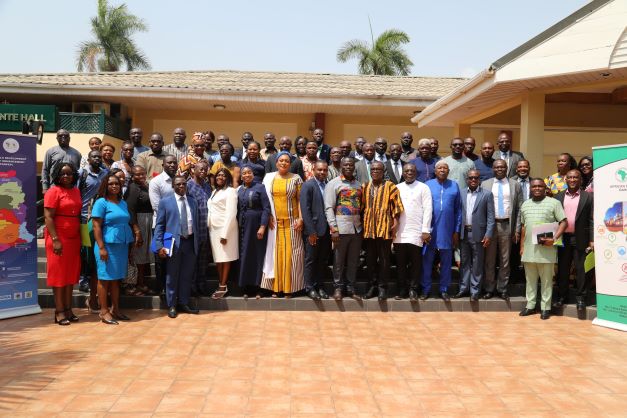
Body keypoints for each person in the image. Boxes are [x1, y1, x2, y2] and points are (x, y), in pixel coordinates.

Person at [519, 178, 567, 320]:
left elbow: (564, 222)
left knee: (546, 281)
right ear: (530, 189)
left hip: (547, 250)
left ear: (545, 188)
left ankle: (546, 308)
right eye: (534, 186)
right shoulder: (525, 204)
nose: (537, 188)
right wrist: (522, 246)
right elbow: (523, 227)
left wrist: (555, 238)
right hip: (529, 250)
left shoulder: (554, 203)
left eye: (540, 186)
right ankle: (530, 305)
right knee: (530, 280)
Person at [153, 176, 201, 318]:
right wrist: (159, 245)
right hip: (172, 242)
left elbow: (196, 222)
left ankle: (184, 302)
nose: (181, 186)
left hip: (190, 242)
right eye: (178, 184)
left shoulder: (192, 201)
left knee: (187, 275)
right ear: (173, 186)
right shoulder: (165, 202)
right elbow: (160, 225)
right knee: (172, 275)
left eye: (184, 184)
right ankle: (172, 305)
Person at [91, 173, 135, 325]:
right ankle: (104, 311)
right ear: (105, 185)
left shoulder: (122, 203)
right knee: (104, 279)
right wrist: (101, 247)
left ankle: (115, 309)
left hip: (121, 246)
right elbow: (96, 226)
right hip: (106, 246)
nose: (114, 186)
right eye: (111, 184)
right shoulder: (101, 202)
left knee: (116, 279)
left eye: (117, 183)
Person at [261, 151, 305, 297]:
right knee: (276, 255)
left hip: (292, 223)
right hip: (274, 223)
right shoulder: (269, 178)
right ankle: (276, 287)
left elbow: (300, 200)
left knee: (291, 256)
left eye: (286, 161)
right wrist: (267, 216)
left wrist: (301, 219)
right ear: (276, 163)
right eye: (281, 160)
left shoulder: (296, 178)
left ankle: (289, 288)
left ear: (290, 164)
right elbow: (265, 200)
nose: (284, 163)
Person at [44, 162, 82, 325]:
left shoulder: (76, 191)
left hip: (74, 238)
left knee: (70, 275)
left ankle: (68, 309)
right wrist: (55, 239)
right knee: (59, 275)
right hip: (59, 237)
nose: (66, 176)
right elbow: (48, 217)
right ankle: (59, 311)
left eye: (69, 173)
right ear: (57, 176)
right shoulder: (53, 191)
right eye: (63, 173)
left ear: (74, 175)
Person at [480, 159, 523, 300]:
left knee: (505, 260)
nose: (499, 169)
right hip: (490, 226)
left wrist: (517, 229)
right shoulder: (485, 184)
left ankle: (502, 288)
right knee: (489, 259)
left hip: (507, 225)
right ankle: (489, 288)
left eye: (502, 167)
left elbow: (519, 209)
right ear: (493, 168)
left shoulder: (515, 185)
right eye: (497, 167)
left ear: (507, 168)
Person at [362, 161, 404, 300]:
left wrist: (395, 223)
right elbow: (362, 207)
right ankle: (371, 287)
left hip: (384, 229)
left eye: (378, 169)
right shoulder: (365, 186)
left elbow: (397, 207)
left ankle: (382, 288)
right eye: (373, 169)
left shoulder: (390, 186)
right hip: (369, 229)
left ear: (383, 171)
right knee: (370, 260)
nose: (375, 171)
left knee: (384, 260)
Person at [554, 169, 593, 312]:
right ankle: (562, 297)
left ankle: (581, 298)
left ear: (580, 179)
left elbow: (591, 219)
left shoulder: (588, 197)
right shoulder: (558, 196)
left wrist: (592, 240)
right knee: (563, 268)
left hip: (580, 238)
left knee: (581, 269)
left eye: (575, 177)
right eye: (569, 177)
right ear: (566, 179)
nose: (572, 180)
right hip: (563, 238)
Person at [324, 157, 363, 300]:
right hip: (340, 229)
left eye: (351, 165)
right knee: (338, 261)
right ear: (341, 166)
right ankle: (338, 288)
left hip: (357, 229)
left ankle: (351, 288)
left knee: (353, 261)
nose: (348, 167)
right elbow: (329, 207)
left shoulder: (358, 184)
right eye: (345, 165)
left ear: (354, 167)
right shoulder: (333, 184)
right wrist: (333, 228)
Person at [422, 161, 462, 300]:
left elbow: (458, 210)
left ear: (448, 171)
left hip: (447, 230)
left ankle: (444, 289)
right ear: (435, 171)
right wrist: (423, 229)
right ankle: (425, 289)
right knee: (427, 261)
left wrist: (456, 231)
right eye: (440, 168)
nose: (442, 170)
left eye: (445, 168)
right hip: (430, 229)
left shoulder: (454, 185)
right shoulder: (427, 185)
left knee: (446, 262)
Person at [393, 163, 432, 301]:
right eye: (407, 171)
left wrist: (425, 230)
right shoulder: (397, 188)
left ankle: (413, 290)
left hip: (417, 232)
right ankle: (402, 290)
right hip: (400, 233)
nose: (409, 173)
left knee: (416, 264)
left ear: (416, 173)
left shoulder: (423, 187)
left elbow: (428, 209)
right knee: (401, 264)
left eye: (412, 171)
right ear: (403, 173)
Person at [456, 169, 495, 301]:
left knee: (477, 264)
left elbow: (491, 217)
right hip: (464, 233)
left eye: (476, 178)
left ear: (479, 180)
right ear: (467, 179)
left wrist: (488, 234)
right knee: (464, 263)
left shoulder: (487, 194)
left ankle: (475, 291)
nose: (473, 180)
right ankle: (463, 289)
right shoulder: (461, 193)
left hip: (479, 234)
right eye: (471, 178)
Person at [78, 150, 108, 306]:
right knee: (86, 253)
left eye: (99, 157)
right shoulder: (82, 174)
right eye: (94, 157)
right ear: (88, 159)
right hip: (84, 219)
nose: (97, 159)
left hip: (101, 217)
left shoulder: (105, 173)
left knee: (95, 255)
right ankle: (84, 281)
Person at [237, 165, 271, 298]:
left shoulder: (260, 187)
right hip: (243, 227)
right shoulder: (239, 189)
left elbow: (266, 208)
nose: (247, 175)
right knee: (245, 255)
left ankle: (259, 288)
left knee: (258, 254)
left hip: (257, 226)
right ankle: (246, 287)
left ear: (253, 174)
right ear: (241, 176)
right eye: (244, 173)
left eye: (249, 173)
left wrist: (263, 226)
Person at [300, 161, 331, 300]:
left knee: (322, 260)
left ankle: (320, 286)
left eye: (325, 170)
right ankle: (310, 287)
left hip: (326, 230)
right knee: (311, 260)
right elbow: (305, 210)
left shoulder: (328, 185)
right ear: (313, 170)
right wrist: (311, 231)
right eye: (319, 170)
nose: (322, 172)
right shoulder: (308, 185)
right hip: (313, 231)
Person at [208, 168, 239, 298]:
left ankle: (223, 285)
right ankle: (221, 283)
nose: (220, 177)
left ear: (228, 178)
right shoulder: (214, 191)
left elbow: (231, 214)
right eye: (218, 175)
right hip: (213, 229)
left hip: (225, 229)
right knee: (218, 259)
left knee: (225, 258)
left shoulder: (231, 191)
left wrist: (225, 234)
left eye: (223, 175)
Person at [124, 165, 154, 296]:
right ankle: (131, 285)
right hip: (139, 223)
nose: (141, 176)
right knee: (136, 255)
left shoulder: (144, 186)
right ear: (132, 176)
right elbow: (130, 211)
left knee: (143, 256)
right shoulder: (132, 189)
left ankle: (141, 283)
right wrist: (137, 230)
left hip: (147, 221)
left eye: (143, 174)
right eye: (137, 174)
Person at [186, 160, 212, 295]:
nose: (203, 171)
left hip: (206, 230)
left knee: (203, 261)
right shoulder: (187, 186)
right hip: (194, 230)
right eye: (200, 169)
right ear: (193, 170)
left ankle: (201, 286)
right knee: (193, 260)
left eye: (205, 170)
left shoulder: (208, 187)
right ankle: (192, 287)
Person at [41, 129, 82, 194]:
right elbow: (45, 170)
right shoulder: (50, 152)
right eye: (60, 136)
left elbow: (79, 172)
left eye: (66, 136)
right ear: (57, 138)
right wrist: (45, 187)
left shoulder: (77, 154)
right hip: (54, 187)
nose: (63, 137)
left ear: (69, 138)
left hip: (71, 189)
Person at [149, 155, 177, 228]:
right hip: (162, 224)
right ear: (163, 165)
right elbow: (156, 206)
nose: (172, 165)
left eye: (175, 163)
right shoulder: (156, 182)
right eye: (169, 163)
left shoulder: (180, 181)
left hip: (178, 224)